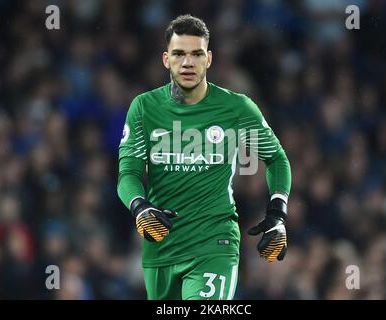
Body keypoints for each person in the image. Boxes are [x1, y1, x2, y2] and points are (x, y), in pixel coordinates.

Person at [117, 14, 291, 300]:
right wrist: (140, 207)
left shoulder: (237, 108)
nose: (188, 63)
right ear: (165, 59)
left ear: (208, 59)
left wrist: (278, 213)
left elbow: (276, 159)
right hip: (162, 246)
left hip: (214, 243)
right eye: (179, 54)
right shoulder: (144, 108)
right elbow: (128, 174)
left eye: (196, 54)